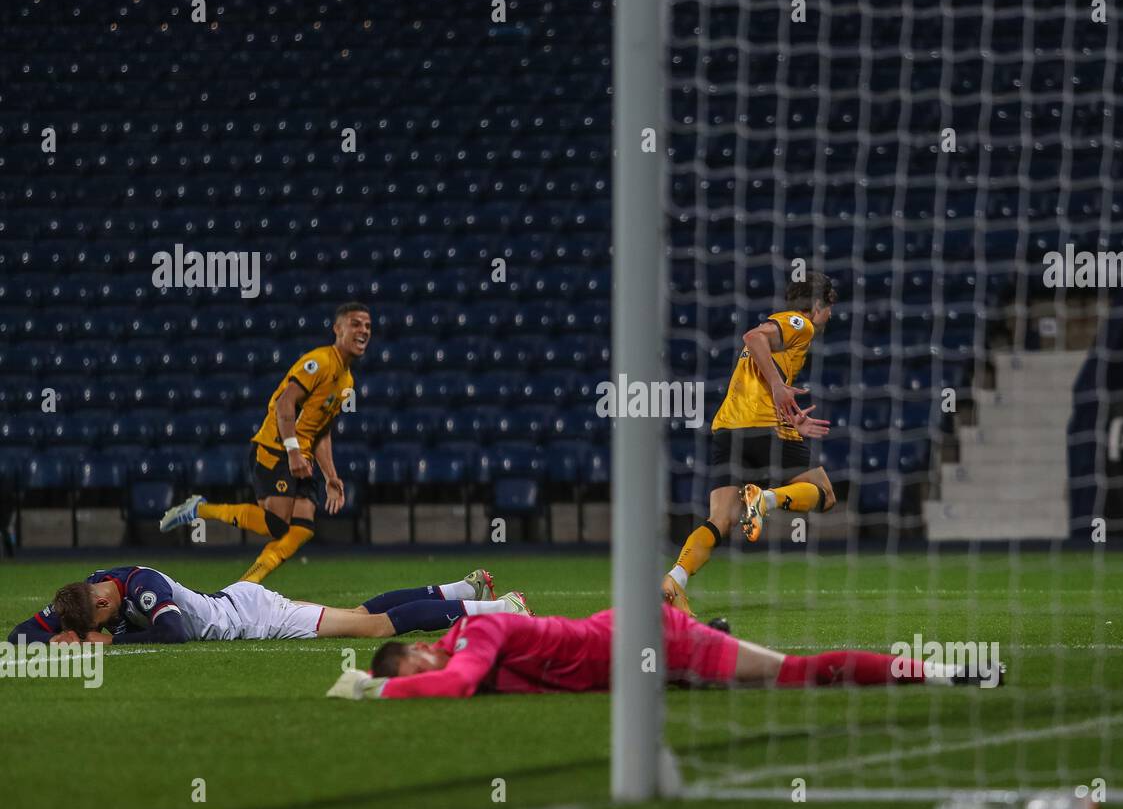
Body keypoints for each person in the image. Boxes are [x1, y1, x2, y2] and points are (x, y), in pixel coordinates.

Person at [326, 602, 1003, 700]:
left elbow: (461, 683)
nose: (429, 669)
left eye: (417, 667)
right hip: (623, 636)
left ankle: (944, 670)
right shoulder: (469, 642)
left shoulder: (474, 640)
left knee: (795, 675)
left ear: (416, 657)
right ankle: (710, 629)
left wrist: (371, 687)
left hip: (654, 639)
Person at [662, 271, 838, 615]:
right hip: (764, 426)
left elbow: (762, 363)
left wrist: (791, 413)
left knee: (721, 519)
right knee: (826, 495)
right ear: (817, 305)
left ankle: (674, 579)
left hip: (730, 427)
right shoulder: (800, 323)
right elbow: (754, 336)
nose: (830, 315)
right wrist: (776, 387)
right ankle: (765, 499)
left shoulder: (791, 336)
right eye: (830, 307)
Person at [159, 302, 370, 583]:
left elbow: (322, 431)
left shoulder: (347, 381)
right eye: (356, 324)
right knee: (277, 525)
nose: (363, 331)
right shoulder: (319, 362)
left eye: (368, 326)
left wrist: (331, 475)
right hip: (276, 449)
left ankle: (249, 582)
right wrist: (293, 453)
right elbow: (285, 403)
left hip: (301, 456)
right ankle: (199, 509)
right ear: (337, 328)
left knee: (303, 527)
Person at [8, 565, 528, 645]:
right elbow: (27, 631)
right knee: (362, 612)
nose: (103, 620)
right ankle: (464, 591)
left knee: (374, 629)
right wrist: (35, 640)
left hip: (256, 616)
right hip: (241, 599)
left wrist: (114, 642)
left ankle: (501, 609)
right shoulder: (86, 595)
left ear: (106, 600)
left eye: (101, 617)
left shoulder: (143, 584)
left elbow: (175, 635)